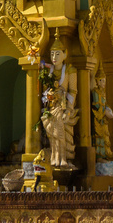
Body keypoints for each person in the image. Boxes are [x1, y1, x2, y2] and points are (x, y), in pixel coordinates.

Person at [41, 32, 77, 168]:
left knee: (61, 135)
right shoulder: (48, 71)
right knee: (52, 135)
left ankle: (63, 159)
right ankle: (54, 158)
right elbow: (45, 91)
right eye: (52, 54)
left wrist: (68, 108)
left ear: (65, 54)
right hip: (51, 106)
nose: (54, 57)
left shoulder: (69, 70)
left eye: (57, 54)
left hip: (63, 106)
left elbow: (73, 90)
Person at [91, 64, 113, 162]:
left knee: (105, 137)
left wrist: (108, 110)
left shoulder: (104, 93)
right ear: (98, 81)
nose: (104, 83)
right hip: (98, 117)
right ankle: (99, 157)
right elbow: (96, 104)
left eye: (104, 80)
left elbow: (105, 104)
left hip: (103, 118)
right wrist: (104, 111)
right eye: (102, 80)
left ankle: (105, 156)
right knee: (99, 137)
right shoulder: (95, 92)